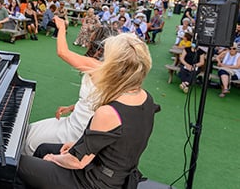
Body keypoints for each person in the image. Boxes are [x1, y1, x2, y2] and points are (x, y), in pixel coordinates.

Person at [15, 32, 160, 189]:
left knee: (18, 164)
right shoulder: (146, 97)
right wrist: (75, 145)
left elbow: (77, 162)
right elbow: (116, 143)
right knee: (43, 148)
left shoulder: (109, 112)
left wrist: (54, 158)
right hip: (114, 171)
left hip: (94, 181)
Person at [23, 23, 117, 155]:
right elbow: (96, 100)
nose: (89, 39)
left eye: (92, 38)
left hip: (77, 130)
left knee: (29, 142)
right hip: (74, 119)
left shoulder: (98, 67)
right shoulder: (108, 69)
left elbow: (63, 52)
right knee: (29, 130)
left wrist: (61, 27)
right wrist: (72, 107)